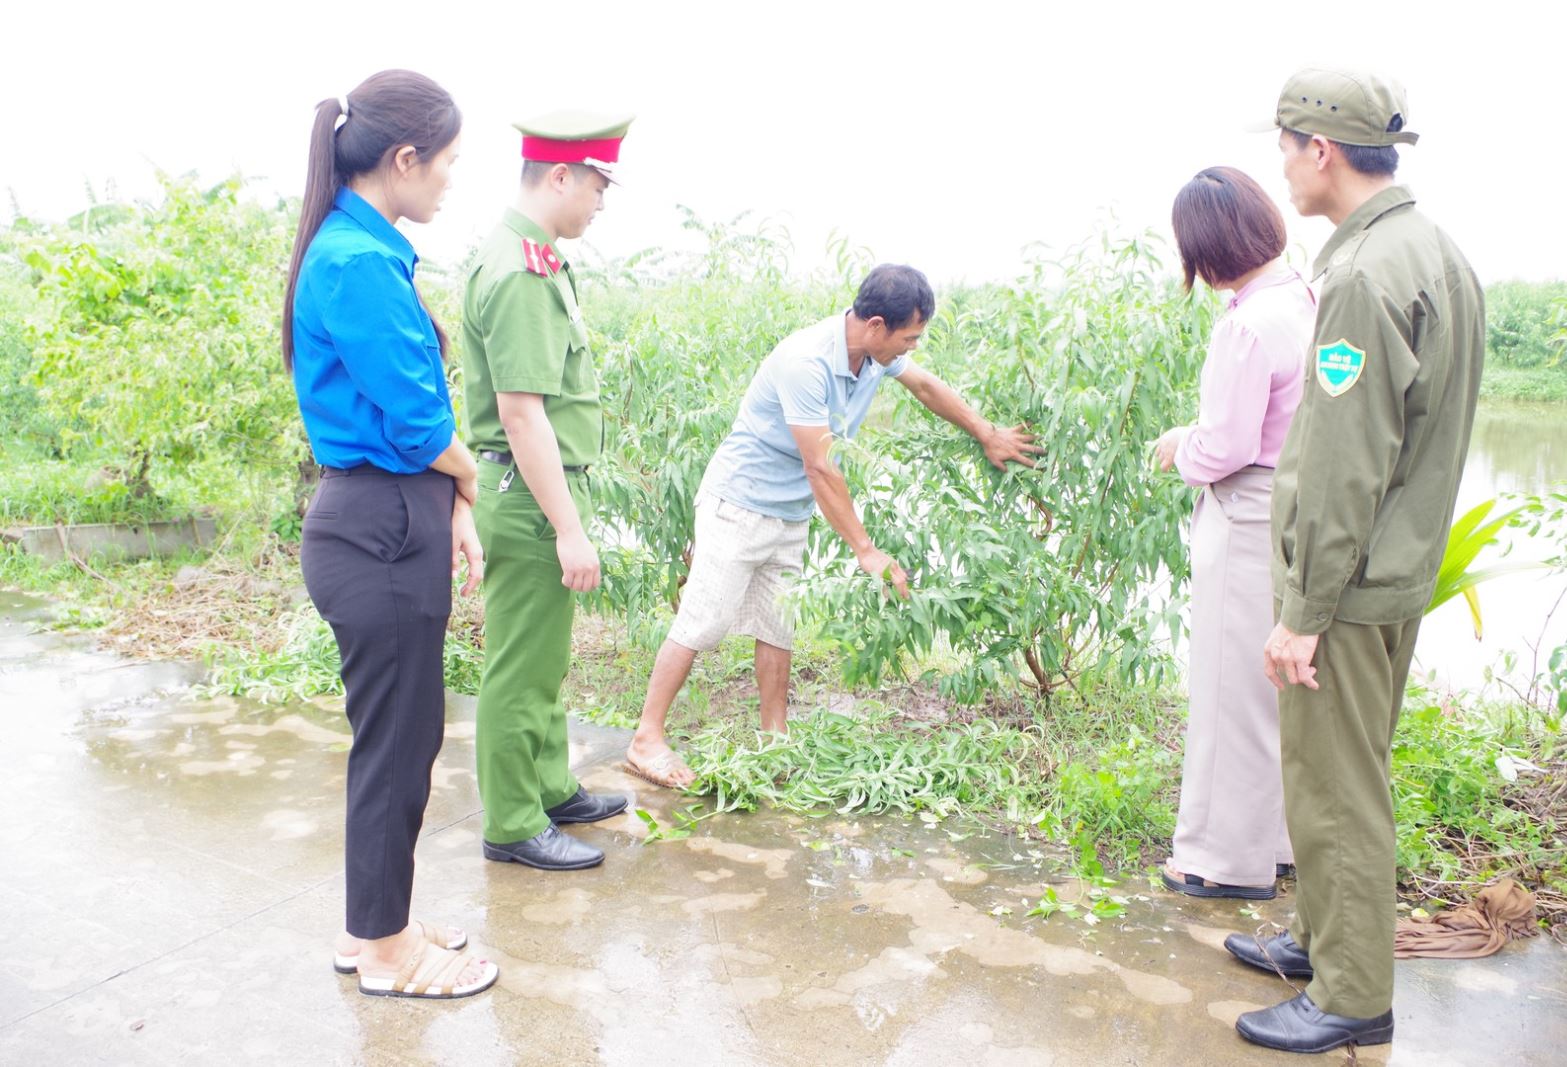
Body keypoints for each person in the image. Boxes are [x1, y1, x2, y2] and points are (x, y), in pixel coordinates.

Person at [1224, 69, 1484, 1054]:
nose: (1283, 168)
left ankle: (1351, 993)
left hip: (1350, 586)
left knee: (1336, 789)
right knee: (1337, 771)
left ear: (1320, 149)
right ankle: (1319, 941)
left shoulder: (1367, 275)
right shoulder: (1434, 251)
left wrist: (1303, 611)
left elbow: (1343, 463)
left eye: (1286, 149)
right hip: (1392, 570)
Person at [623, 265, 1043, 788]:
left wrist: (986, 432)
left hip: (789, 511)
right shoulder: (806, 362)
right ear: (876, 325)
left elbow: (925, 386)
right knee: (702, 623)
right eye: (909, 337)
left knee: (778, 625)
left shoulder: (873, 355)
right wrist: (866, 550)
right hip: (739, 503)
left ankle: (774, 738)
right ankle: (646, 739)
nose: (912, 348)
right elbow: (820, 465)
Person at [284, 70, 496, 1000]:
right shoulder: (358, 263)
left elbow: (411, 421)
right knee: (398, 742)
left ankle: (377, 922)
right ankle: (386, 950)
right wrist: (469, 477)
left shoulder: (360, 251)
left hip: (387, 515)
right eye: (446, 162)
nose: (450, 179)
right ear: (404, 158)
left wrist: (452, 500)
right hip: (377, 526)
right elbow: (417, 424)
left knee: (400, 736)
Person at [461, 112, 632, 872]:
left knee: (545, 658)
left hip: (536, 487)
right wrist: (569, 527)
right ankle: (512, 821)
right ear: (560, 176)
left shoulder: (532, 257)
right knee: (520, 667)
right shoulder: (520, 271)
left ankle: (549, 788)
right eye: (598, 185)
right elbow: (522, 414)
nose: (601, 201)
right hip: (530, 493)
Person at [1153, 167, 1314, 900]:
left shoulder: (1245, 325)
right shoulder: (1307, 300)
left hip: (1246, 510)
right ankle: (1276, 845)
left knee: (1229, 690)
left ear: (1207, 249)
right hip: (1297, 507)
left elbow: (1226, 446)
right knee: (1273, 688)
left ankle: (1218, 860)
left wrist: (1178, 446)